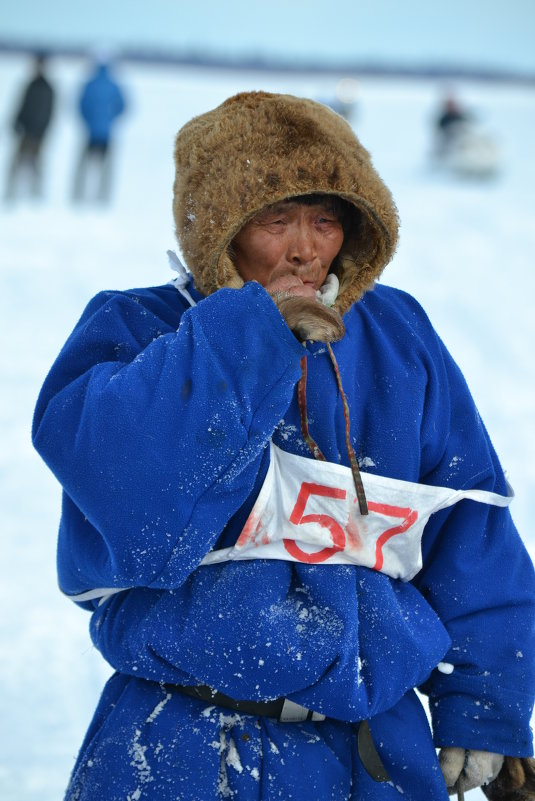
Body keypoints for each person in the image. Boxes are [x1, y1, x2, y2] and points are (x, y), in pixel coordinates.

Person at [32, 92, 535, 801]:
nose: (305, 247)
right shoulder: (136, 329)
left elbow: (470, 528)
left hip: (375, 755)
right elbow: (136, 510)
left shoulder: (402, 340)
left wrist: (487, 704)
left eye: (326, 220)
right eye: (275, 220)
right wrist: (248, 338)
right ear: (220, 228)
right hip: (179, 744)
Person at [71, 58, 125, 202]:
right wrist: (111, 119)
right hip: (107, 133)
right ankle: (103, 197)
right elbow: (123, 106)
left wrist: (87, 121)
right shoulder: (114, 86)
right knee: (106, 169)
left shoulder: (89, 84)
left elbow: (80, 105)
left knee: (82, 167)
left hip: (90, 132)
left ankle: (78, 195)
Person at [4, 53, 55, 201]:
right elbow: (21, 105)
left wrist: (43, 130)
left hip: (38, 133)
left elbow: (49, 112)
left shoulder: (48, 88)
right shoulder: (30, 85)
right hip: (25, 131)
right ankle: (10, 193)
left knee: (36, 165)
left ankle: (36, 195)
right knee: (15, 163)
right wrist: (16, 122)